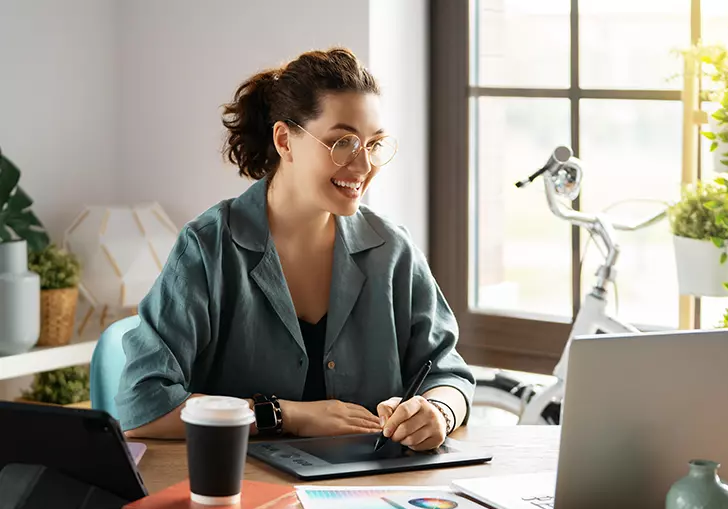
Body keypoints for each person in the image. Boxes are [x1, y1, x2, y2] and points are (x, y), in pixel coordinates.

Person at [116, 47, 475, 451]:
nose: (362, 167)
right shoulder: (208, 248)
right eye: (342, 143)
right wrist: (288, 415)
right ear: (285, 140)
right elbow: (141, 404)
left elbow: (449, 373)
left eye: (373, 145)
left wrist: (437, 411)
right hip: (241, 494)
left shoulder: (393, 250)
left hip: (370, 498)